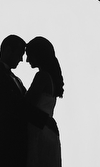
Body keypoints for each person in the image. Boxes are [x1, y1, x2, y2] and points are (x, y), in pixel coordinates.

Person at [0, 35, 58, 167]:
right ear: (7, 50)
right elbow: (15, 106)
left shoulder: (16, 79)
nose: (22, 59)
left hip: (20, 148)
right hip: (4, 147)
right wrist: (44, 120)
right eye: (19, 54)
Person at [24, 36, 64, 167]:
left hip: (39, 131)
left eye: (29, 55)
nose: (27, 60)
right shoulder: (51, 79)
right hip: (48, 132)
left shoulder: (42, 77)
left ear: (38, 55)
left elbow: (26, 104)